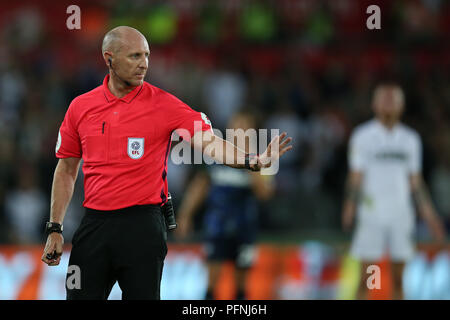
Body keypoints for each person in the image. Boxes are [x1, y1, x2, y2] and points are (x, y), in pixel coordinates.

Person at [40, 26, 292, 300]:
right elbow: (66, 168)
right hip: (94, 226)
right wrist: (55, 227)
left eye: (146, 55)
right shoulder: (80, 107)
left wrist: (251, 161)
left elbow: (208, 142)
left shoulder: (164, 105)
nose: (144, 64)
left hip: (143, 226)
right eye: (135, 56)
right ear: (109, 58)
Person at [341, 82, 446, 300]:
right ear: (374, 104)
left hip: (401, 216)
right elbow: (355, 176)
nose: (388, 104)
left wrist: (430, 216)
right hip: (372, 216)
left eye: (393, 99)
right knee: (368, 278)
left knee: (399, 279)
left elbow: (415, 182)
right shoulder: (363, 136)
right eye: (384, 99)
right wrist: (349, 207)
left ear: (402, 105)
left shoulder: (410, 139)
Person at [176, 112, 275, 300]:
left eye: (245, 126)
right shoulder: (215, 154)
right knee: (212, 278)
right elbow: (200, 185)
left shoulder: (263, 158)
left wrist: (250, 162)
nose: (240, 130)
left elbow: (265, 194)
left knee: (241, 283)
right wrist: (185, 215)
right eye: (236, 125)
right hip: (217, 224)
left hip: (245, 226)